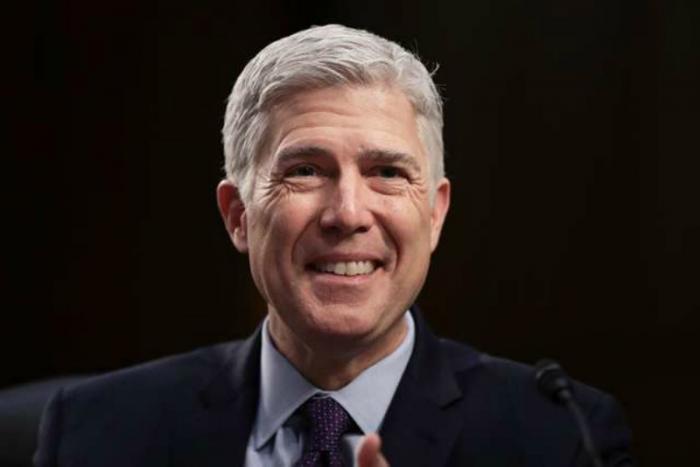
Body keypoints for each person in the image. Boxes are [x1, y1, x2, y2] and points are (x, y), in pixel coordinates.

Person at [34, 24, 633, 467]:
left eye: (388, 173)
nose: (348, 213)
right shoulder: (94, 433)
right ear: (238, 215)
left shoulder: (562, 437)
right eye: (306, 170)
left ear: (434, 214)